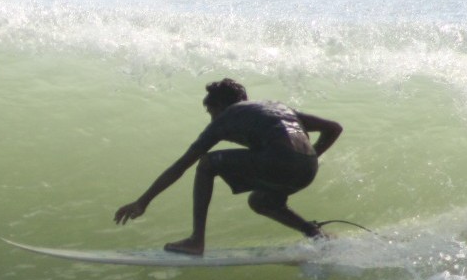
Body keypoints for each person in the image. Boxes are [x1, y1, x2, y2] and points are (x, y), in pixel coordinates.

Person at [113, 78, 343, 255]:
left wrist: (143, 201)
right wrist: (307, 157)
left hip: (278, 161)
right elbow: (334, 128)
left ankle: (196, 240)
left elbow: (182, 165)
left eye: (211, 112)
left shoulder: (227, 116)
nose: (212, 120)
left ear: (220, 106)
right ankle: (314, 233)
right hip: (307, 168)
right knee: (261, 201)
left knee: (207, 163)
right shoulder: (276, 108)